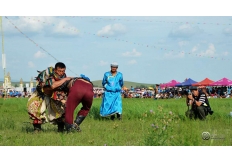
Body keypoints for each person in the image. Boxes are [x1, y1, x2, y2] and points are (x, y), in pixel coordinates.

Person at [27, 62, 72, 132]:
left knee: (62, 110)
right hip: (41, 94)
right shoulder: (49, 74)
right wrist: (65, 79)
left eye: (63, 71)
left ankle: (61, 130)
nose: (61, 73)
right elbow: (52, 85)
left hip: (53, 95)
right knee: (35, 109)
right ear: (56, 70)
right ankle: (37, 130)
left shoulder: (64, 76)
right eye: (60, 71)